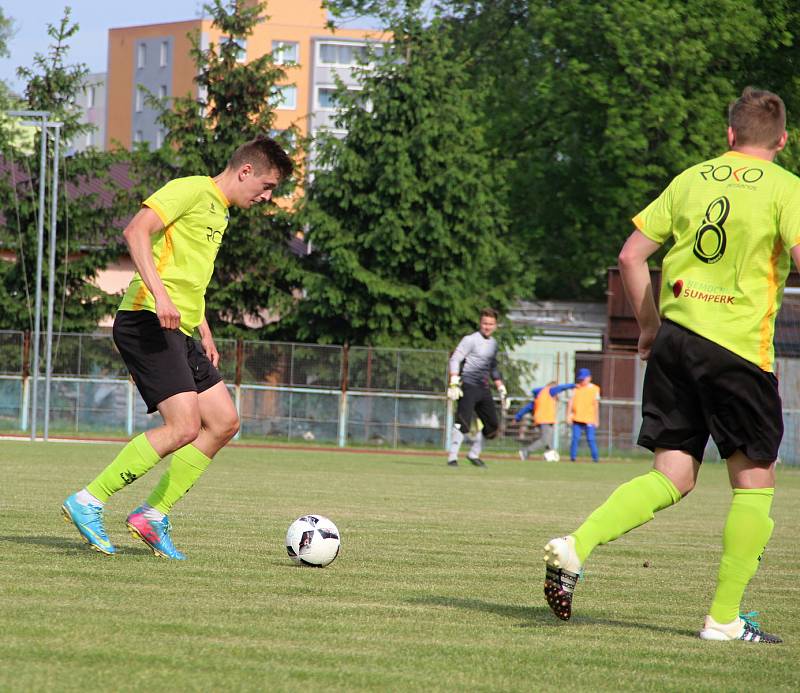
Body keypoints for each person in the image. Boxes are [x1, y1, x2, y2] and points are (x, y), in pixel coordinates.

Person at [543, 87, 800, 643]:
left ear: (729, 135)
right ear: (782, 139)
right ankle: (724, 619)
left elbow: (631, 256)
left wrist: (651, 327)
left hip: (676, 343)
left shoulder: (691, 178)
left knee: (673, 476)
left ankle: (575, 546)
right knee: (754, 486)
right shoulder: (788, 190)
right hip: (737, 352)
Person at [62, 135, 293, 560]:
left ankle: (153, 515)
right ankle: (89, 500)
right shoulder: (190, 189)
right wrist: (161, 297)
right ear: (245, 171)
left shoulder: (219, 213)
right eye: (267, 187)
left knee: (224, 422)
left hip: (179, 327)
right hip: (146, 318)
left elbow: (187, 275)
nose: (267, 197)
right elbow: (135, 232)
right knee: (184, 426)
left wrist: (203, 327)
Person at [446, 308, 509, 467]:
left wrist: (500, 387)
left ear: (495, 325)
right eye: (485, 323)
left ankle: (474, 454)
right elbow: (455, 359)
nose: (487, 327)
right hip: (468, 386)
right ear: (480, 323)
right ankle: (452, 457)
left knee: (492, 426)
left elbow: (493, 367)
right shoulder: (470, 339)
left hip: (484, 388)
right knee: (462, 423)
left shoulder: (493, 344)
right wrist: (454, 382)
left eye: (491, 324)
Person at [514, 380, 576, 461]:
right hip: (545, 420)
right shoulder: (549, 391)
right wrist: (572, 385)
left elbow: (528, 407)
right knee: (544, 440)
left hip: (544, 420)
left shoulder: (540, 396)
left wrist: (517, 417)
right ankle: (526, 451)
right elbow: (561, 388)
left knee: (549, 440)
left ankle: (549, 456)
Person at [567, 368, 600, 462]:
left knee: (591, 439)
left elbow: (596, 405)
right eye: (580, 379)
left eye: (584, 378)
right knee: (575, 438)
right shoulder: (576, 388)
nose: (582, 381)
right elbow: (570, 402)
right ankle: (573, 458)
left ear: (589, 378)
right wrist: (568, 415)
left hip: (589, 419)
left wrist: (597, 419)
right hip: (577, 418)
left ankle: (595, 458)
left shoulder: (595, 389)